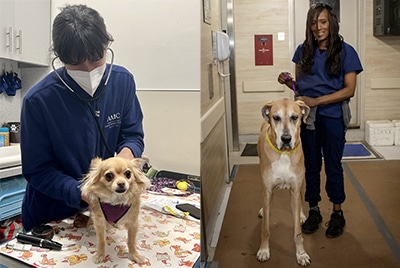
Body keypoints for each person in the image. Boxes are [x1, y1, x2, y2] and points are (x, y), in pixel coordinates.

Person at [20, 4, 145, 232]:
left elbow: (133, 135)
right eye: (76, 63)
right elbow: (37, 170)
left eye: (96, 58)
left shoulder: (123, 82)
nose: (88, 69)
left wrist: (125, 162)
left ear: (106, 44)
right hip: (52, 215)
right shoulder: (38, 100)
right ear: (59, 56)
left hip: (104, 207)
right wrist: (84, 192)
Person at [277, 3, 363, 238]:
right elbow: (300, 88)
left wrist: (317, 101)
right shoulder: (302, 51)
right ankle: (314, 210)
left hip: (333, 116)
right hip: (308, 120)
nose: (318, 27)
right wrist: (288, 82)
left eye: (323, 22)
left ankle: (337, 212)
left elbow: (349, 90)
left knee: (333, 165)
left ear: (331, 24)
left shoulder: (346, 51)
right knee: (311, 166)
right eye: (313, 23)